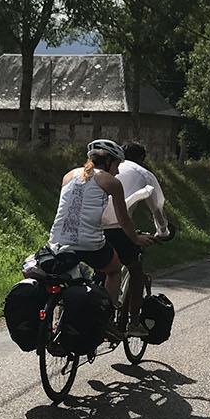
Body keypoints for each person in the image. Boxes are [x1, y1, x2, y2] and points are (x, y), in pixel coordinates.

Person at [48, 139, 155, 317]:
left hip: (57, 241)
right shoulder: (110, 181)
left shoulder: (68, 176)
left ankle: (57, 322)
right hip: (90, 245)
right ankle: (107, 317)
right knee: (114, 270)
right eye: (117, 164)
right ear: (108, 161)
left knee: (64, 281)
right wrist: (136, 239)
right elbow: (124, 219)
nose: (118, 170)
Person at [98, 139, 171, 336]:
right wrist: (162, 232)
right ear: (142, 159)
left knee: (100, 264)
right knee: (135, 270)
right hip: (118, 228)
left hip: (92, 226)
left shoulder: (101, 170)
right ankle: (134, 322)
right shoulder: (144, 174)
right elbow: (157, 207)